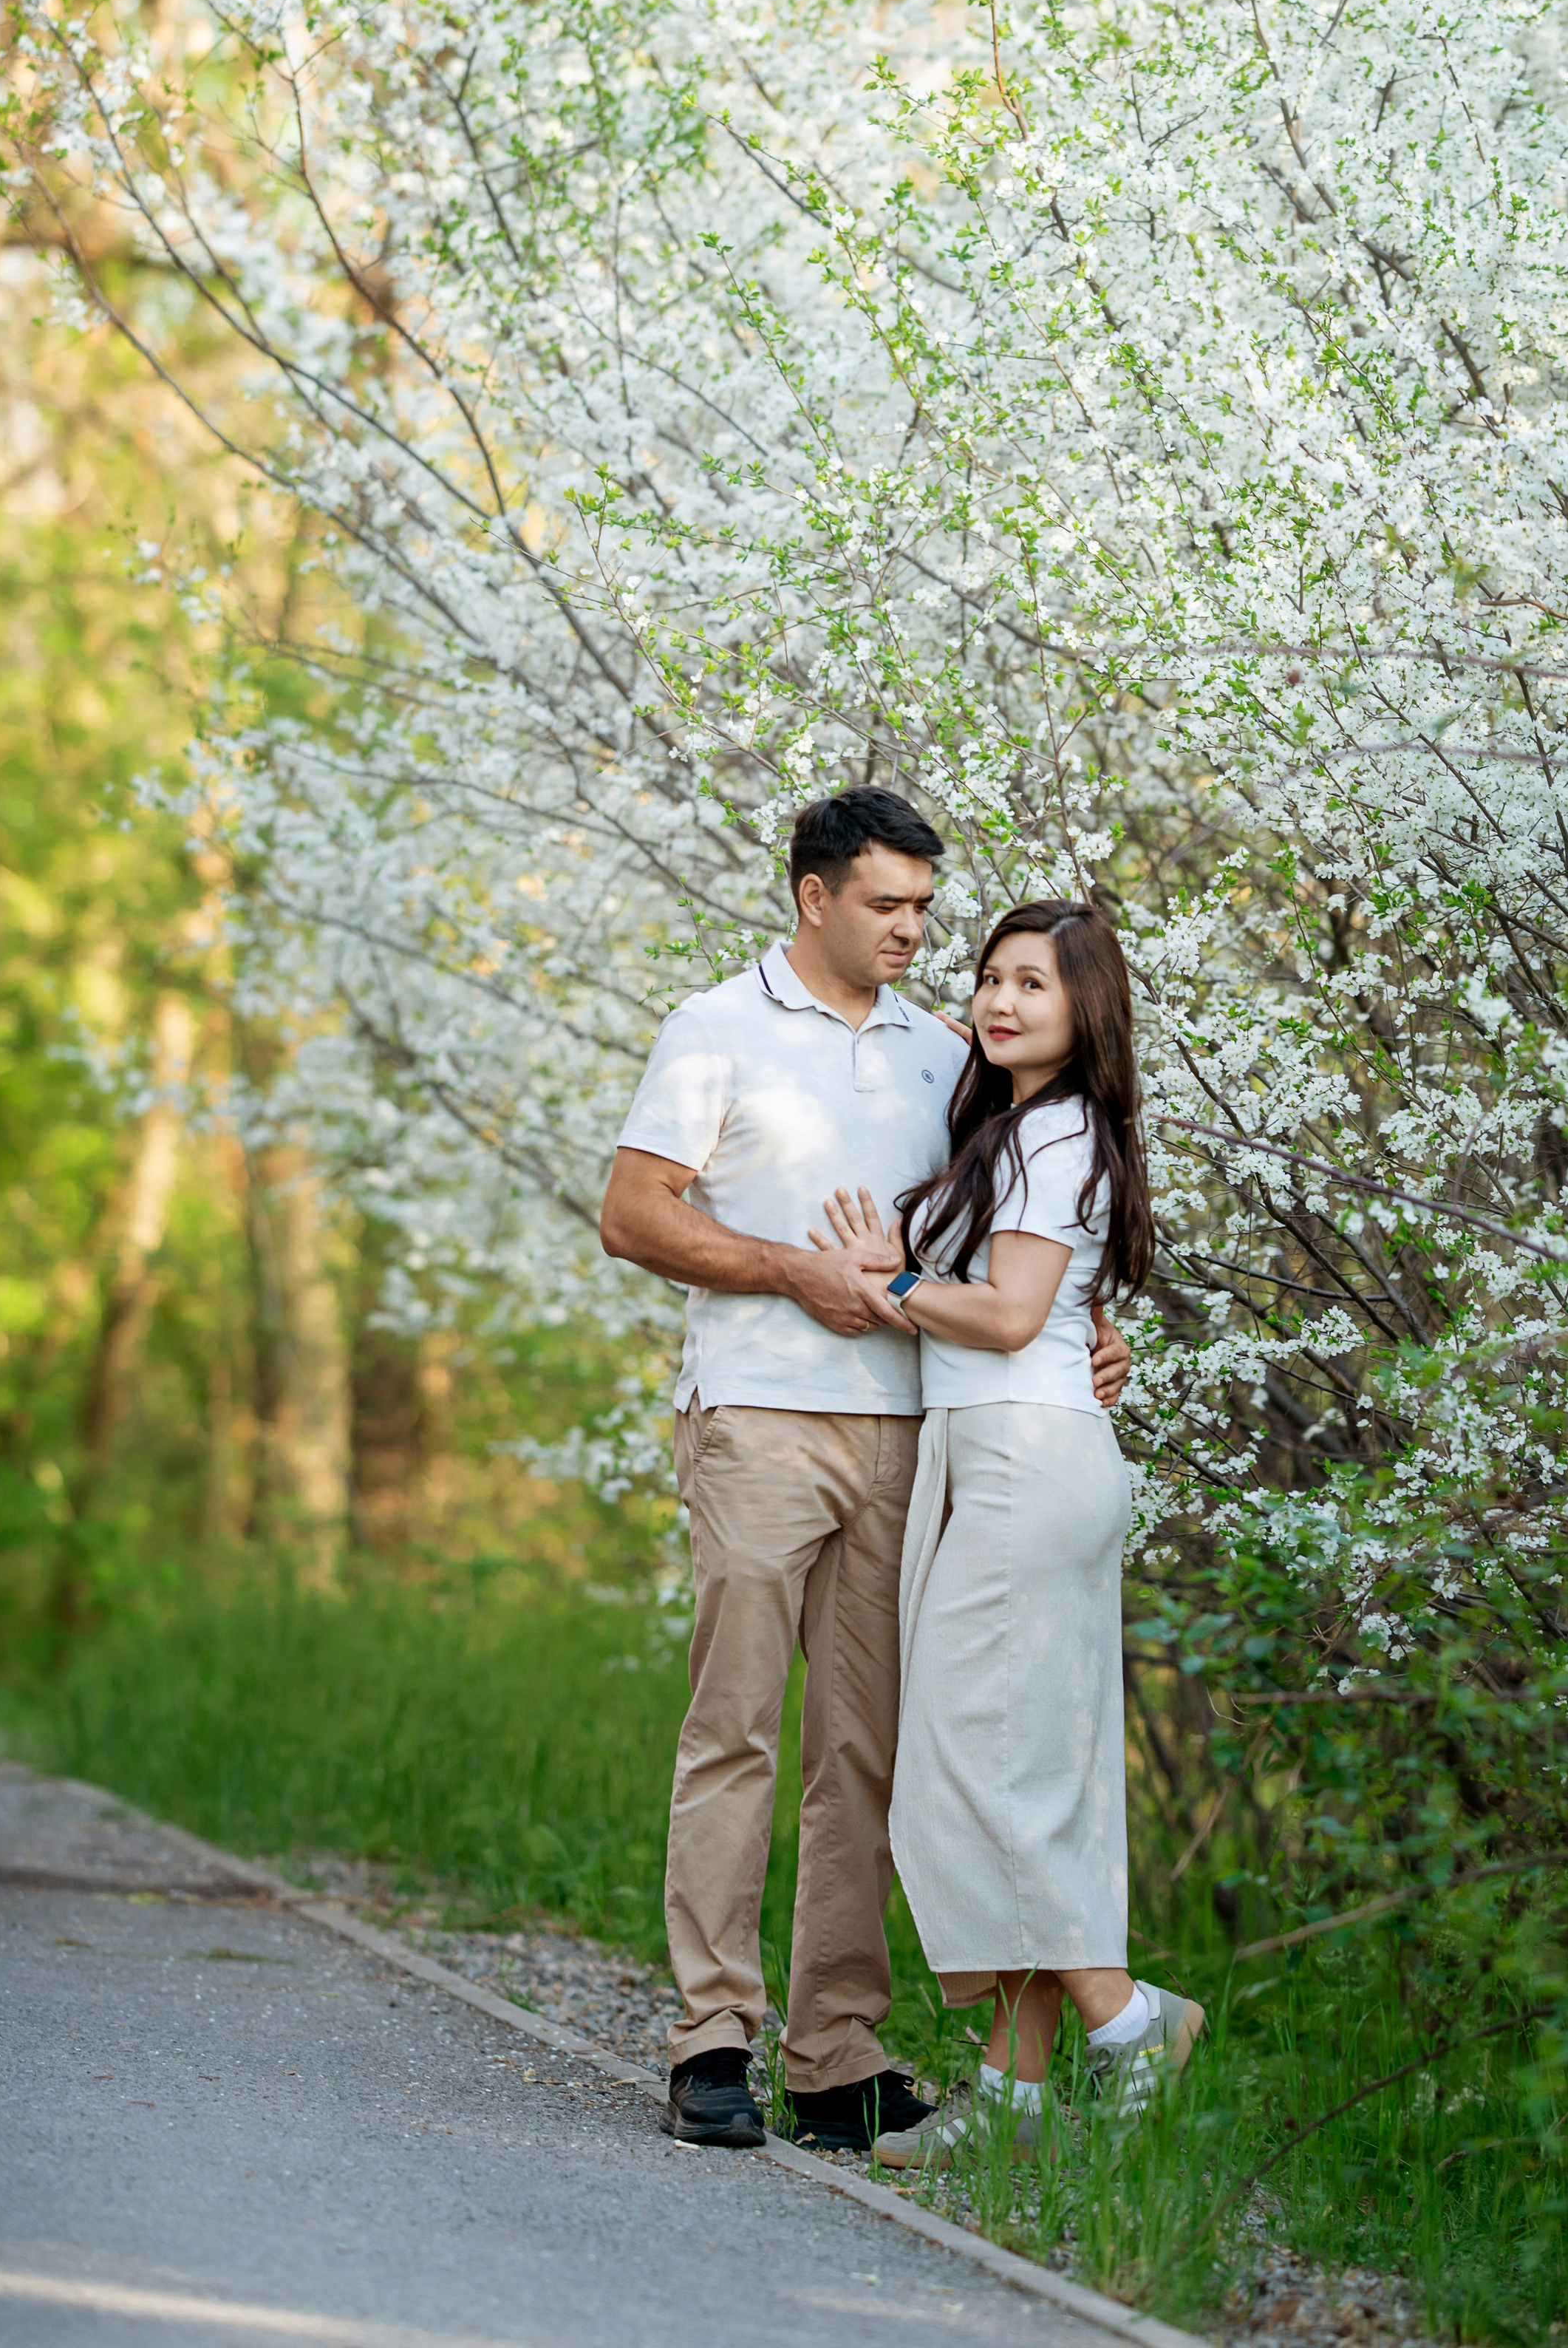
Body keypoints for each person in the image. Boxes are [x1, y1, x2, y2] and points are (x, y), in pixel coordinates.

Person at [599, 794, 1131, 2154]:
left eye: (922, 910)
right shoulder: (713, 1030)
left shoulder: (948, 1054)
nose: (912, 931)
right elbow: (633, 1215)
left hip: (921, 1439)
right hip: (761, 1418)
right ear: (813, 898)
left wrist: (1083, 1333)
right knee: (737, 1728)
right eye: (887, 905)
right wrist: (797, 1274)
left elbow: (1004, 1230)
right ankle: (711, 2034)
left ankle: (835, 2050)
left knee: (869, 1752)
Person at [811, 899, 1203, 2166]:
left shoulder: (1060, 1130)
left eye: (1032, 983)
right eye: (988, 978)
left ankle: (1130, 2015)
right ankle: (1016, 2100)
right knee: (1022, 1765)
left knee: (970, 1764)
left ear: (1087, 1005)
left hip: (1026, 1458)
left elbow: (1012, 1312)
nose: (998, 1000)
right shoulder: (1020, 1128)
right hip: (1001, 1456)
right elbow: (1043, 1302)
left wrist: (897, 1282)